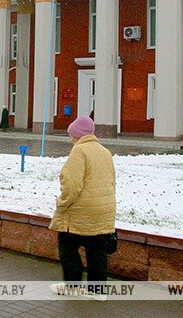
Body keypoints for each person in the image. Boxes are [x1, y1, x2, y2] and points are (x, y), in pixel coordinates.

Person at [49, 115, 116, 300]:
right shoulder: (105, 152)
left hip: (81, 210)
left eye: (71, 135)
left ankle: (72, 284)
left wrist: (62, 204)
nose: (70, 138)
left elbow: (71, 185)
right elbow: (111, 181)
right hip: (104, 209)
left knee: (67, 244)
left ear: (77, 135)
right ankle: (97, 291)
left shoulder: (79, 151)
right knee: (97, 250)